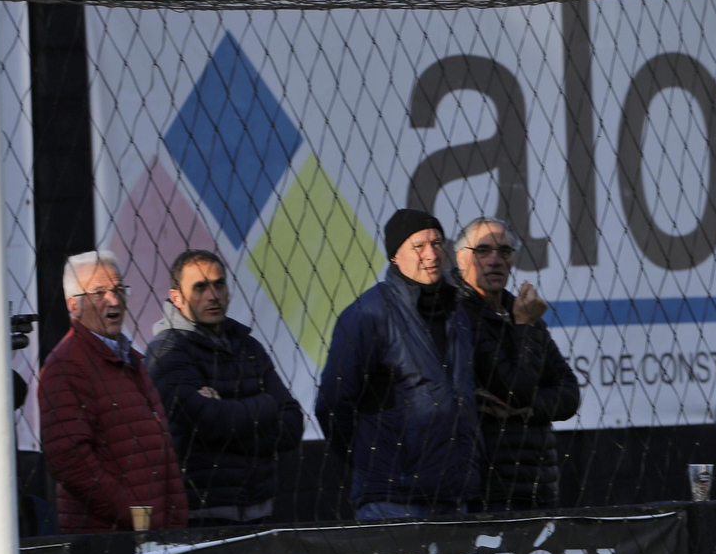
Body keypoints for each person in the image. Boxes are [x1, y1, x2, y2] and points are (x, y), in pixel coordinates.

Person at [316, 209, 479, 520]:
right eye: (419, 246)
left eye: (437, 243)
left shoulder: (458, 310)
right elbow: (332, 402)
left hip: (453, 498)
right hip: (392, 502)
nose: (431, 254)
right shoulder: (368, 314)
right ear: (395, 255)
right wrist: (373, 461)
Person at [146, 249, 304, 526]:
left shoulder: (249, 347)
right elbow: (205, 422)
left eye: (219, 284)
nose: (213, 295)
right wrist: (266, 406)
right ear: (176, 297)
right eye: (200, 287)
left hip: (260, 512)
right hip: (200, 517)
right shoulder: (167, 351)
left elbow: (292, 423)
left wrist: (226, 416)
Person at [39, 250, 187, 533]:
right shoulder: (66, 365)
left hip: (156, 535)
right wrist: (138, 519)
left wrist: (175, 517)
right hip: (108, 541)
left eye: (119, 289)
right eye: (99, 293)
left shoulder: (131, 359)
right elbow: (70, 462)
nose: (115, 300)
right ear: (74, 305)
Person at [453, 216, 580, 512]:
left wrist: (528, 409)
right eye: (482, 250)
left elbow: (569, 393)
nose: (495, 260)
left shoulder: (521, 310)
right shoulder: (458, 314)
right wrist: (523, 325)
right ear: (461, 258)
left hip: (538, 485)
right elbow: (514, 390)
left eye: (505, 251)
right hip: (487, 490)